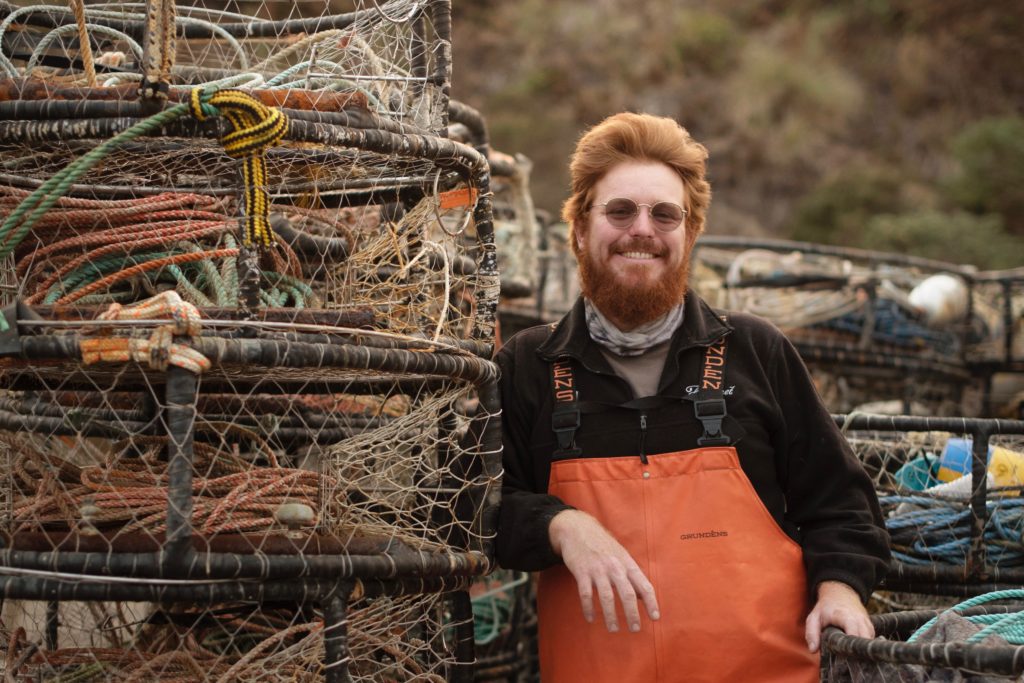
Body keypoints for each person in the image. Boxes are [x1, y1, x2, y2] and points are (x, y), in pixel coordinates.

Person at [495, 112, 890, 682]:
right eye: (619, 211)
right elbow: (472, 512)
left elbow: (842, 506)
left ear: (690, 233)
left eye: (665, 214)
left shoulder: (757, 352)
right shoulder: (528, 367)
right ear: (579, 229)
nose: (642, 229)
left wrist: (840, 590)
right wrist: (561, 525)